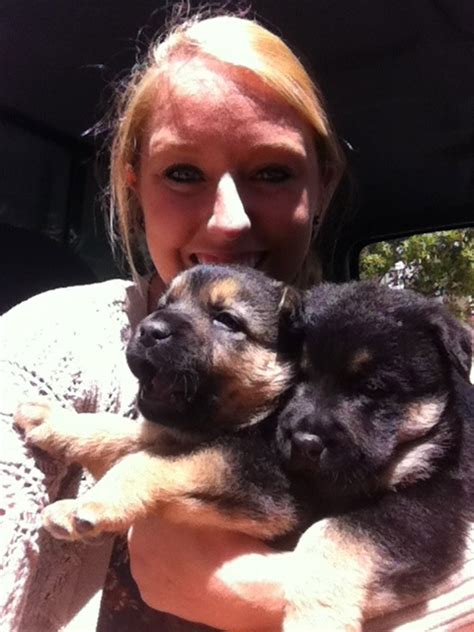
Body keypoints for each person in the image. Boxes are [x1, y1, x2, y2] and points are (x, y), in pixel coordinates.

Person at [1, 11, 473, 632]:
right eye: (183, 173)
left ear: (322, 186)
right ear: (133, 182)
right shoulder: (40, 351)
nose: (229, 222)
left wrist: (263, 596)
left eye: (271, 173)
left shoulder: (367, 340)